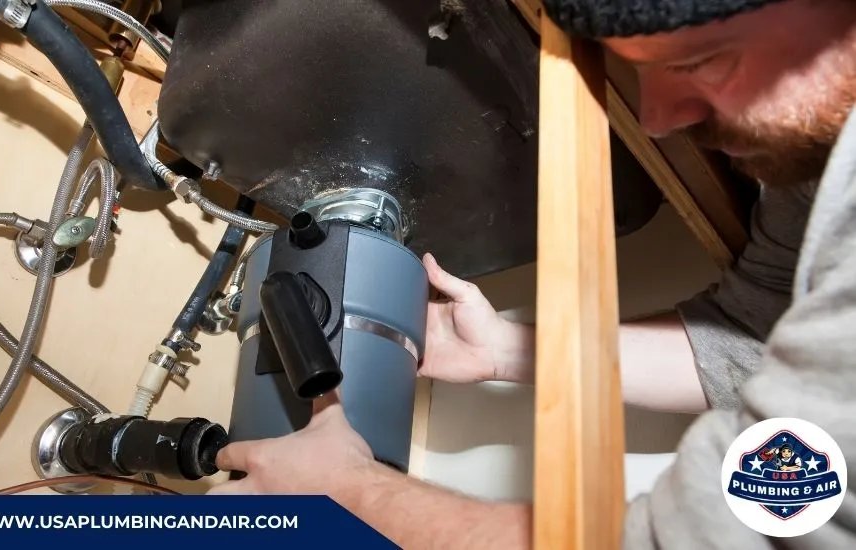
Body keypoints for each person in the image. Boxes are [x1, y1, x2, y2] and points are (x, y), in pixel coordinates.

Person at [208, 0, 856, 547]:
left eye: (698, 60)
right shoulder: (812, 176)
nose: (656, 118)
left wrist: (347, 494)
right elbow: (752, 336)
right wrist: (510, 349)